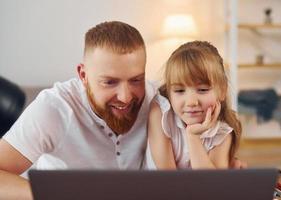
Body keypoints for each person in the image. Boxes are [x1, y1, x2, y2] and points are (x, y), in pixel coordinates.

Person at [0, 22, 245, 200]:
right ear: (83, 75)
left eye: (136, 79)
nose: (126, 97)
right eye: (110, 82)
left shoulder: (157, 100)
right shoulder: (54, 109)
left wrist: (224, 165)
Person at [144, 41, 242, 169]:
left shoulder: (222, 133)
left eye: (202, 90)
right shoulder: (161, 114)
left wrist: (193, 136)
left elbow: (211, 186)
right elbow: (168, 182)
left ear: (222, 91)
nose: (191, 102)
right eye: (179, 91)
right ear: (169, 93)